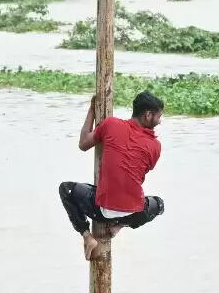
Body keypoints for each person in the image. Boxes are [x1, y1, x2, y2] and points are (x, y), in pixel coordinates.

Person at [58, 91, 166, 262]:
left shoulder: (111, 124)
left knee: (66, 188)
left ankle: (86, 236)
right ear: (148, 115)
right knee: (159, 204)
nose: (160, 121)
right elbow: (140, 171)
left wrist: (92, 109)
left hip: (103, 210)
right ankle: (120, 225)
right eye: (159, 117)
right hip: (134, 212)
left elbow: (83, 143)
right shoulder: (156, 146)